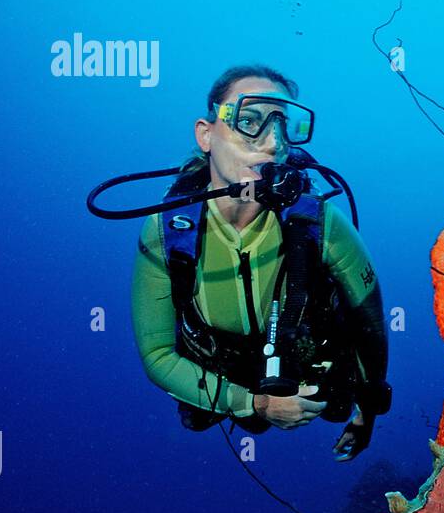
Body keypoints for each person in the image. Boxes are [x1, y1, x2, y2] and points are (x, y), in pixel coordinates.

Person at [130, 65, 390, 459]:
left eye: (283, 126)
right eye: (249, 121)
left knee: (335, 403)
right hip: (224, 374)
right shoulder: (167, 233)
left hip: (304, 362)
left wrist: (369, 409)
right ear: (206, 134)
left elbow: (368, 321)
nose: (272, 143)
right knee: (199, 418)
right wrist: (254, 404)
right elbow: (157, 355)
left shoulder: (321, 223)